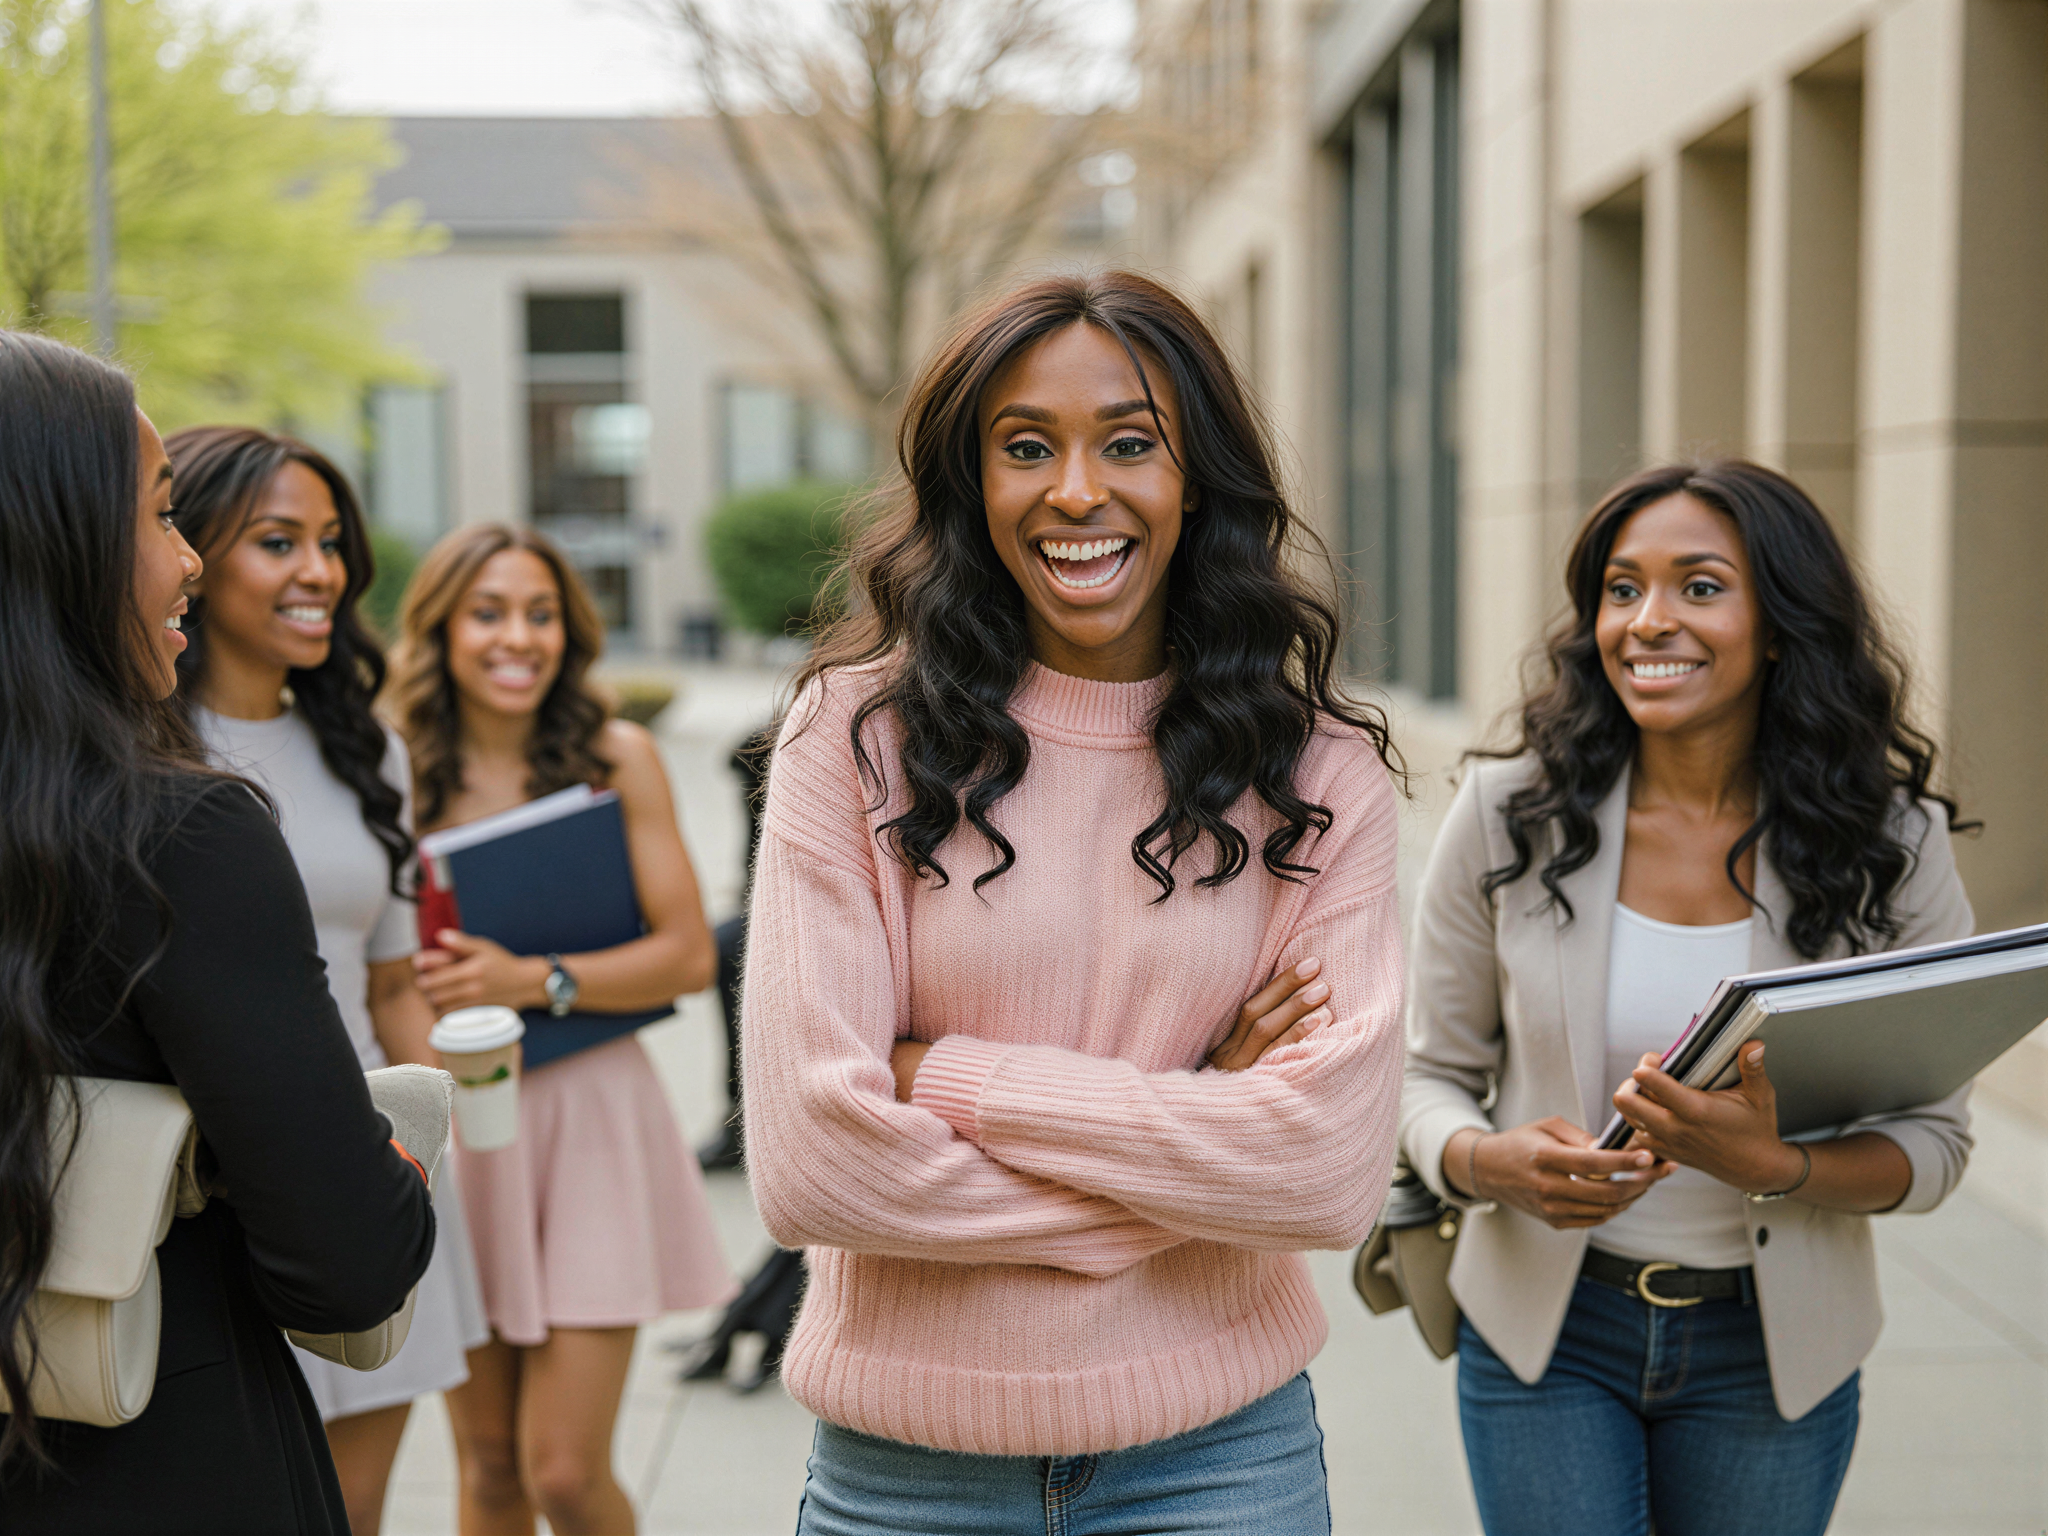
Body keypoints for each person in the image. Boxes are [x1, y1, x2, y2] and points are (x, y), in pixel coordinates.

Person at [741, 271, 1406, 1535]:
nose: (1076, 491)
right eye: (1025, 448)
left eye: (1128, 443)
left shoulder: (1317, 774)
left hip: (1219, 1466)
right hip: (905, 1476)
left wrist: (941, 1078)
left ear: (1195, 476)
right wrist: (1201, 1134)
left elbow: (1320, 1174)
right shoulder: (853, 738)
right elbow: (815, 1167)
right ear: (970, 486)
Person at [1401, 461, 1975, 1536]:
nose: (1646, 621)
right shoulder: (1507, 814)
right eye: (1621, 589)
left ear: (1777, 626)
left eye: (1698, 587)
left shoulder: (1889, 843)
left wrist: (1775, 1167)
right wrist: (1485, 1162)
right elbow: (1423, 1074)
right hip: (1546, 1336)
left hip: (1770, 1358)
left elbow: (1932, 1144)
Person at [0, 336, 435, 1531]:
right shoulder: (176, 832)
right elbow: (344, 1264)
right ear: (61, 543)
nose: (182, 560)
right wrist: (378, 1168)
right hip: (149, 1452)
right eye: (158, 517)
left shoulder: (345, 759)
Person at [162, 425, 491, 1535]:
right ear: (191, 554)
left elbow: (393, 985)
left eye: (331, 541)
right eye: (276, 541)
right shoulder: (138, 749)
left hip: (361, 1172)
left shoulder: (369, 748)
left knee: (353, 1513)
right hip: (208, 1198)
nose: (319, 571)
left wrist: (429, 1157)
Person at [386, 524, 732, 1536]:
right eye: (488, 613)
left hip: (591, 1122)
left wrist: (532, 980)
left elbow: (688, 954)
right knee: (490, 1467)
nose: (517, 637)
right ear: (442, 628)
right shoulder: (395, 769)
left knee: (565, 1472)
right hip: (459, 1127)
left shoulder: (614, 755)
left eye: (540, 614)